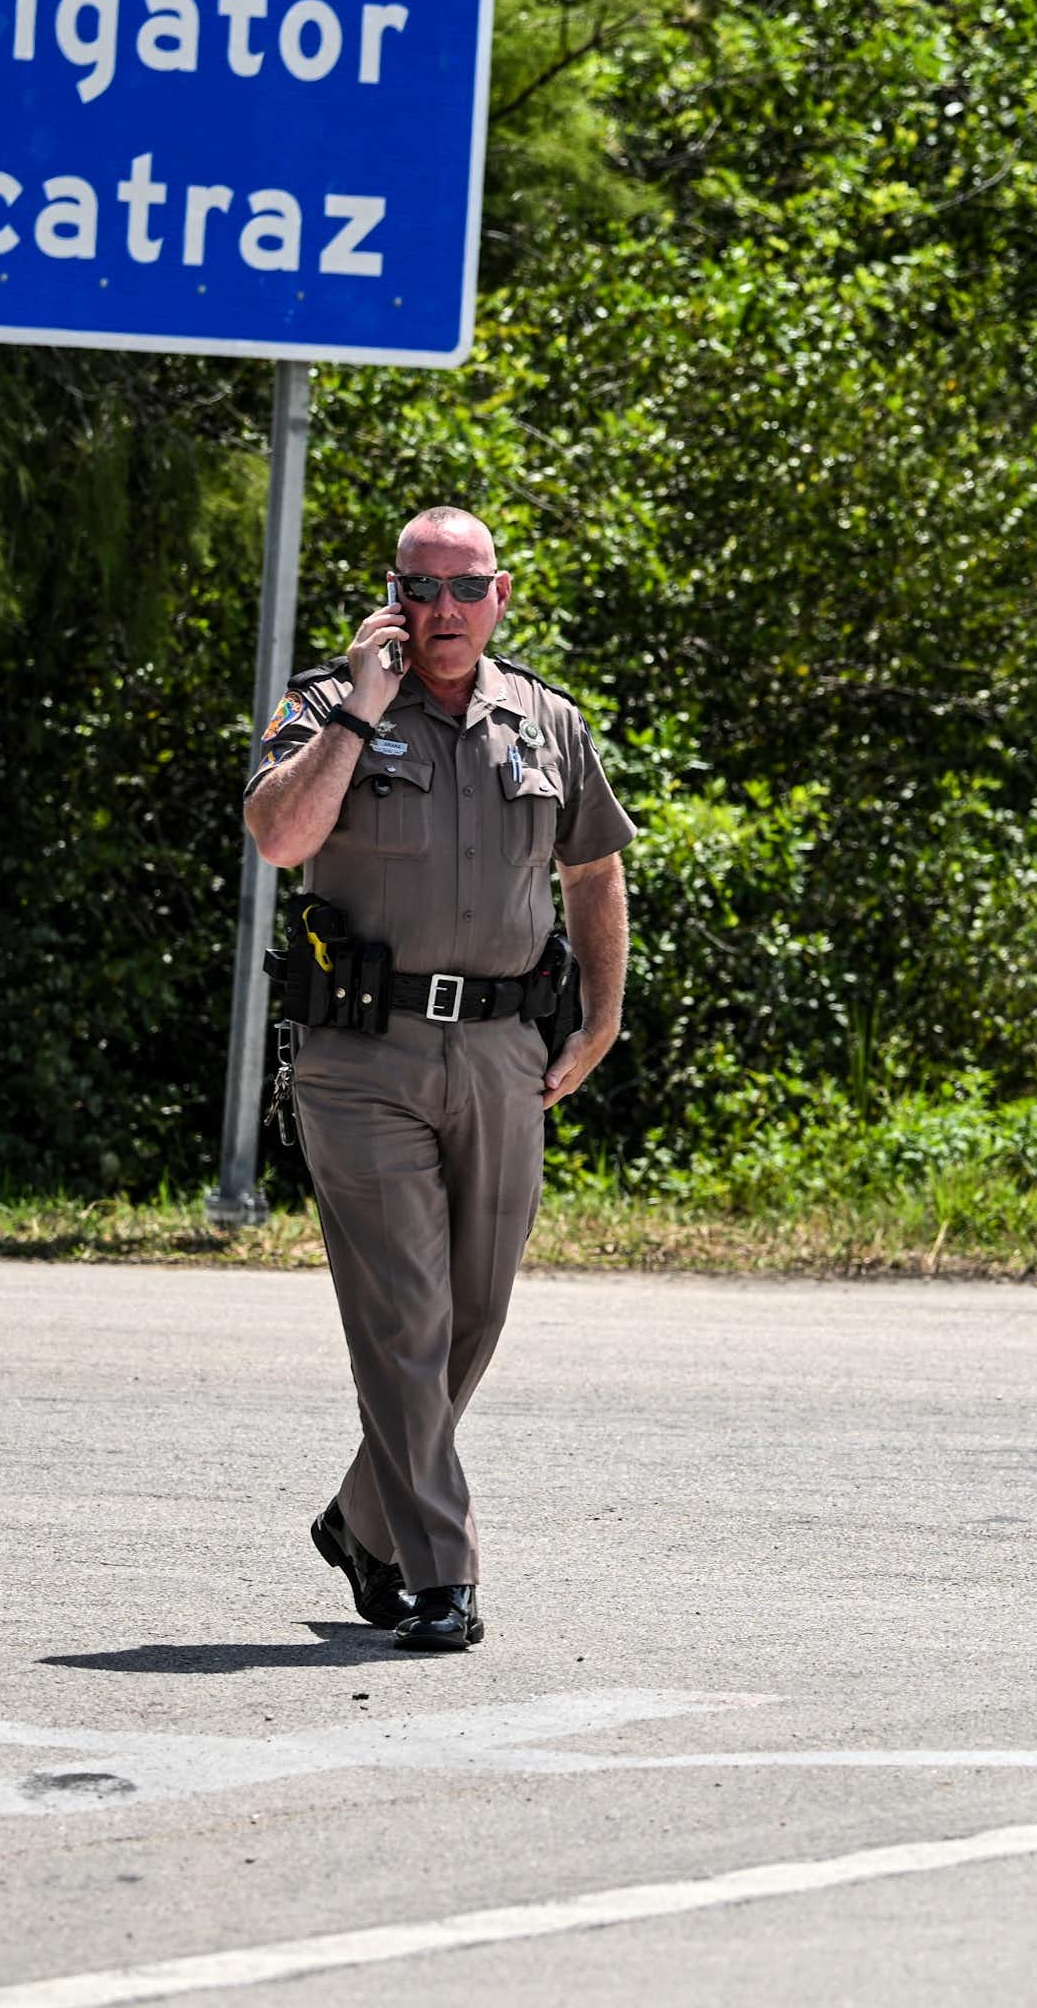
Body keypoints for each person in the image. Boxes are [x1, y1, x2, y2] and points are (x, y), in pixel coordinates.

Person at [243, 506, 633, 1651]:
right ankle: (439, 1574)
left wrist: (599, 1024)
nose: (445, 612)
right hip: (363, 1058)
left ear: (500, 597)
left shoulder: (545, 720)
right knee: (404, 1319)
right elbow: (277, 837)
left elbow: (595, 870)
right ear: (392, 594)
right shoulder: (324, 705)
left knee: (473, 1313)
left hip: (508, 1053)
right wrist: (363, 706)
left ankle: (361, 1517)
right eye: (424, 589)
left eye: (467, 590)